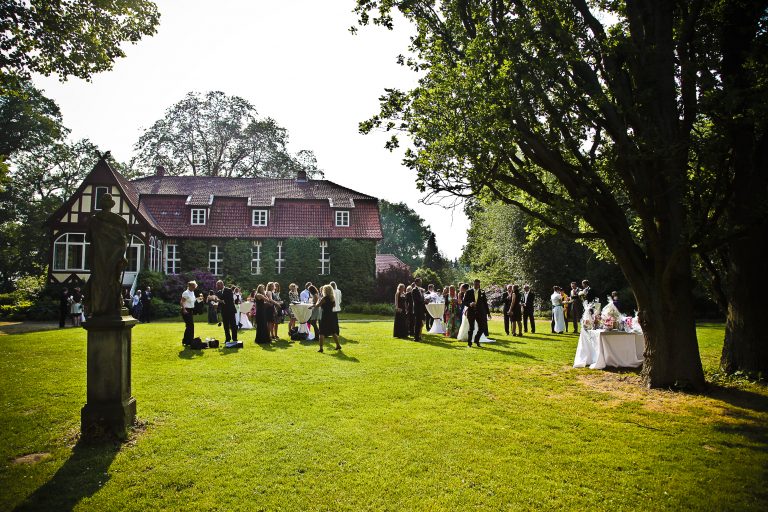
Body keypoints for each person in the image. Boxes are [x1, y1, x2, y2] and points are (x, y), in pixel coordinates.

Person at [464, 279, 491, 347]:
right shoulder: (469, 291)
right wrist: (470, 304)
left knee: (482, 327)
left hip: (480, 312)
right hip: (471, 312)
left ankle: (476, 339)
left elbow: (485, 303)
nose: (476, 285)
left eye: (477, 284)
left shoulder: (482, 292)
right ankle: (469, 343)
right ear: (473, 284)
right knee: (471, 328)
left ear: (479, 284)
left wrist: (488, 313)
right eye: (475, 284)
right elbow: (464, 302)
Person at [314, 284, 341, 352]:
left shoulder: (324, 298)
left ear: (325, 291)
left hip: (324, 316)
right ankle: (338, 345)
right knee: (333, 332)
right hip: (331, 316)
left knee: (322, 332)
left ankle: (321, 348)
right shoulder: (332, 298)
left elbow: (318, 305)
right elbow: (334, 306)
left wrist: (315, 303)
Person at [215, 280, 238, 344]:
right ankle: (227, 339)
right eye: (217, 285)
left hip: (230, 310)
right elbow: (219, 301)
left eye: (218, 285)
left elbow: (229, 300)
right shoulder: (219, 292)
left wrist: (220, 301)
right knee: (225, 326)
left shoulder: (228, 290)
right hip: (224, 311)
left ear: (222, 284)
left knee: (233, 325)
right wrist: (217, 304)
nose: (217, 286)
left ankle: (235, 338)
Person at [180, 281, 198, 346]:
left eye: (194, 287)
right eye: (193, 287)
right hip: (186, 310)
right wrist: (184, 309)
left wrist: (198, 299)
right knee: (190, 325)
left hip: (190, 310)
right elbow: (181, 302)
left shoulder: (192, 292)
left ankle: (186, 340)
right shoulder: (186, 293)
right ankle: (188, 340)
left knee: (189, 326)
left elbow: (192, 300)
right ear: (189, 286)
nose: (194, 288)